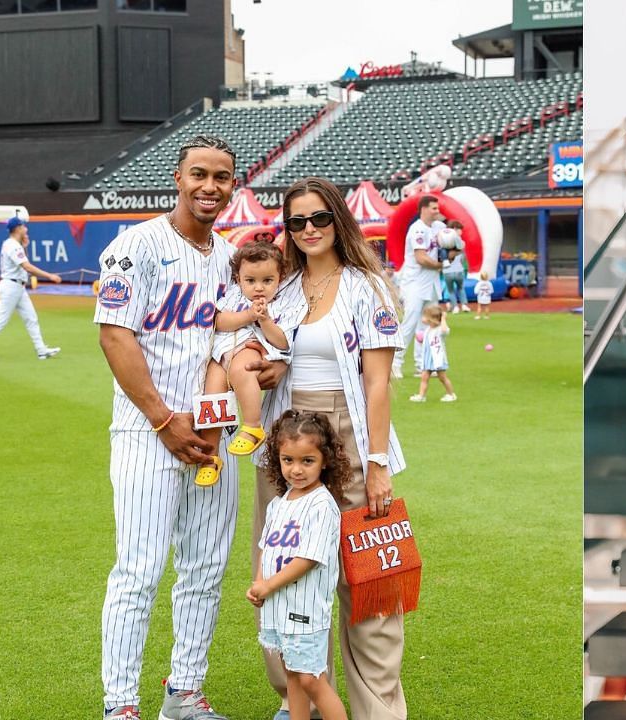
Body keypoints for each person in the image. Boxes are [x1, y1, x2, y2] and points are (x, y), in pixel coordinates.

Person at [95, 134, 248, 720]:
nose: (211, 187)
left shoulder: (231, 255)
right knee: (138, 570)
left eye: (222, 177)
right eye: (200, 175)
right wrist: (163, 419)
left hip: (210, 435)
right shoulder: (135, 246)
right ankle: (122, 705)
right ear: (177, 178)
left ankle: (184, 692)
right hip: (146, 434)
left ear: (233, 186)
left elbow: (231, 339)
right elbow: (115, 334)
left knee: (206, 568)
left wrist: (211, 420)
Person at [251, 176, 408, 720]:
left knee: (367, 587)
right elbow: (266, 356)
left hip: (349, 433)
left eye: (319, 218)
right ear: (287, 231)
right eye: (297, 222)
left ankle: (377, 710)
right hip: (286, 440)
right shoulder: (282, 289)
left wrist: (379, 463)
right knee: (280, 572)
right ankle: (300, 699)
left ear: (338, 219)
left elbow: (378, 383)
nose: (310, 229)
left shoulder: (368, 286)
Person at [249, 410, 353, 720]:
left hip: (305, 612)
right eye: (287, 460)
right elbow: (266, 548)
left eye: (307, 461)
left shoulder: (322, 505)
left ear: (325, 461)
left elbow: (308, 558)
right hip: (280, 609)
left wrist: (269, 584)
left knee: (310, 679)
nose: (296, 470)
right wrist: (259, 583)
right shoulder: (280, 504)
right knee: (292, 675)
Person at [195, 241, 291, 487]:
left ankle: (252, 426)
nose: (259, 288)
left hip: (250, 346)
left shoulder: (280, 302)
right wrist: (248, 315)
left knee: (242, 370)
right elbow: (219, 321)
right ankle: (210, 455)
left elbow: (282, 342)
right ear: (239, 278)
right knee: (212, 394)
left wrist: (264, 320)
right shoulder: (235, 294)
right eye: (251, 281)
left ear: (280, 277)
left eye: (267, 280)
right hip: (222, 351)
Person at [0, 216, 62, 362]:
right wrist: (49, 276)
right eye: (23, 226)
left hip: (18, 286)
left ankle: (41, 350)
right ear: (18, 228)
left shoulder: (15, 244)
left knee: (31, 318)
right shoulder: (11, 245)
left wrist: (25, 246)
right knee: (0, 320)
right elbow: (26, 266)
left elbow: (24, 262)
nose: (26, 229)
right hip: (11, 286)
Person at [391, 195, 444, 379]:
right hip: (414, 282)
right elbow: (421, 258)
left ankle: (422, 365)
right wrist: (441, 265)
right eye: (433, 208)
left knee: (429, 325)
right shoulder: (417, 229)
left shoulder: (439, 227)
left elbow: (452, 244)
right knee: (409, 323)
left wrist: (453, 249)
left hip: (432, 283)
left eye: (438, 208)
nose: (437, 211)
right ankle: (395, 363)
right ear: (423, 209)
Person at [409, 305, 456, 403]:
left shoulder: (439, 330)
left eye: (425, 316)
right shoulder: (428, 329)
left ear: (431, 319)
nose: (423, 318)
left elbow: (444, 330)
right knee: (424, 377)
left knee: (442, 377)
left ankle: (451, 394)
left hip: (437, 358)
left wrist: (443, 318)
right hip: (428, 358)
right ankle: (421, 396)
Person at [440, 220, 469, 313]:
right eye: (460, 229)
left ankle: (455, 306)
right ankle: (464, 305)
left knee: (451, 290)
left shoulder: (443, 242)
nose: (462, 232)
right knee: (460, 288)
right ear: (455, 229)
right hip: (459, 270)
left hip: (447, 271)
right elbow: (462, 258)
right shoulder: (460, 242)